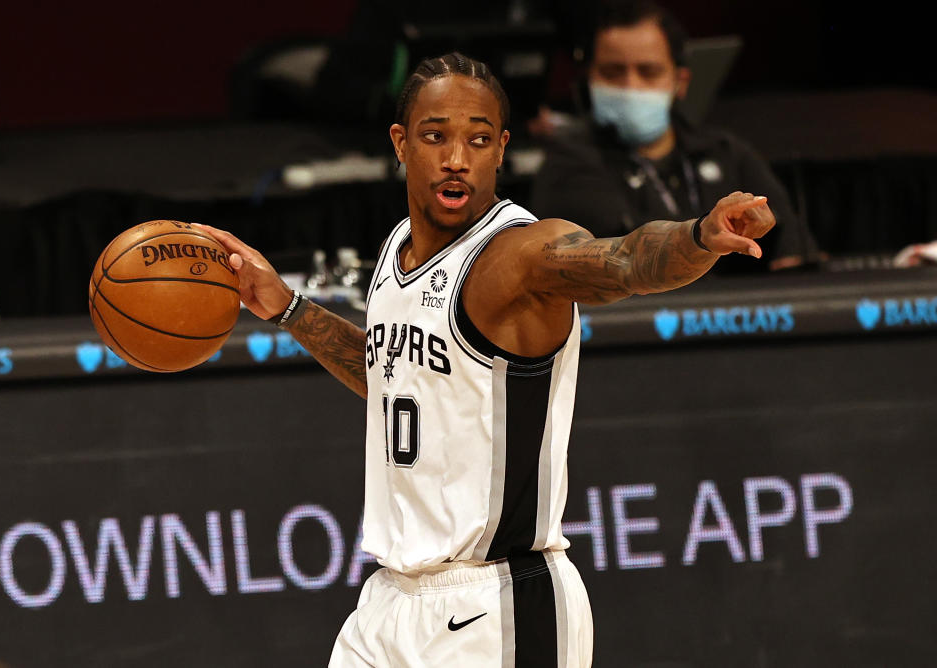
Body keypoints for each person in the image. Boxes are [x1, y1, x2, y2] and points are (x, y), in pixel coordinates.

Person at [198, 51, 774, 667]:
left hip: (497, 602)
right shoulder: (399, 250)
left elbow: (625, 261)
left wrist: (696, 237)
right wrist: (287, 308)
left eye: (477, 140)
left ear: (501, 150)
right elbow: (392, 381)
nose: (455, 159)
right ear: (400, 143)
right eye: (435, 136)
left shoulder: (522, 254)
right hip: (390, 601)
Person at [530, 0, 816, 272]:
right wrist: (705, 236)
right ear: (589, 78)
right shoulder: (567, 164)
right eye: (613, 72)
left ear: (680, 82)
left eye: (648, 71)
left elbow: (791, 242)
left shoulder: (726, 152)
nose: (631, 86)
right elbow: (623, 260)